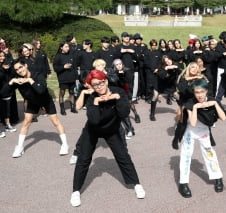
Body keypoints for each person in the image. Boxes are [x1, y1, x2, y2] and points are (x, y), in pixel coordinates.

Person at [70, 70, 145, 207]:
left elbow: (124, 113)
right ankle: (75, 191)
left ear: (106, 81)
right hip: (92, 131)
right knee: (83, 159)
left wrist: (116, 99)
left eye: (101, 83)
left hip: (112, 130)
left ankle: (136, 184)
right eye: (95, 85)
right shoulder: (92, 96)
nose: (99, 87)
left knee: (123, 156)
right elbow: (94, 120)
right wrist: (97, 102)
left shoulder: (118, 92)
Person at [8, 59, 69, 158]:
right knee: (26, 122)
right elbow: (4, 92)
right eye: (17, 69)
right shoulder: (18, 79)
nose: (19, 70)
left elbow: (40, 90)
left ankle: (65, 145)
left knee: (55, 121)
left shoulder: (38, 75)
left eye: (20, 67)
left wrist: (30, 80)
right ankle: (19, 147)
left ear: (26, 66)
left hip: (46, 100)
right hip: (33, 102)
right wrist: (11, 82)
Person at [178, 79, 226, 198]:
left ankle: (217, 177)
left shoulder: (213, 101)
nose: (199, 95)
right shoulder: (190, 102)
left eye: (202, 92)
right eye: (197, 92)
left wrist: (214, 104)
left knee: (210, 154)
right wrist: (196, 107)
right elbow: (193, 123)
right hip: (190, 131)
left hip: (204, 131)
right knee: (186, 156)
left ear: (206, 91)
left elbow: (223, 117)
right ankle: (183, 183)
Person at [53, 41, 78, 115]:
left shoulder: (71, 55)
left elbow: (74, 67)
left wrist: (76, 77)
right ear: (61, 48)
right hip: (63, 78)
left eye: (68, 46)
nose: (68, 48)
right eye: (66, 47)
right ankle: (62, 109)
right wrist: (63, 67)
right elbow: (55, 68)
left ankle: (73, 108)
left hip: (71, 77)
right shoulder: (58, 56)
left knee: (72, 92)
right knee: (62, 93)